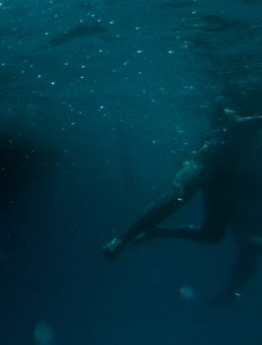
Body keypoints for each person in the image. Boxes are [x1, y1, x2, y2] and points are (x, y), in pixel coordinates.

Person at [102, 101, 262, 304]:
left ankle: (159, 232)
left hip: (222, 180)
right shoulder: (242, 124)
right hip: (200, 166)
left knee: (213, 235)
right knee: (177, 197)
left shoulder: (247, 131)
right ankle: (124, 237)